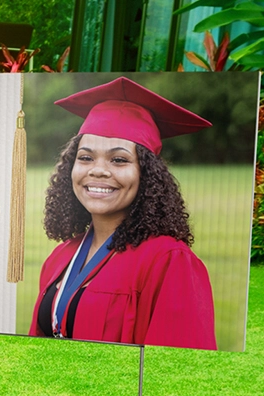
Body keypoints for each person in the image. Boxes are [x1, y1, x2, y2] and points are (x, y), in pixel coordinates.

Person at [28, 77, 217, 350]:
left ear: (147, 175)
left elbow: (178, 371)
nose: (98, 170)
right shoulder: (61, 257)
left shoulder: (168, 261)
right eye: (86, 157)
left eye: (119, 159)